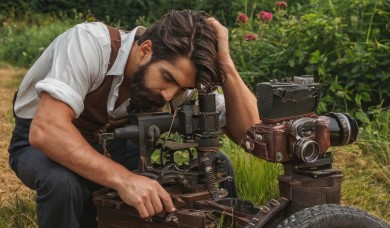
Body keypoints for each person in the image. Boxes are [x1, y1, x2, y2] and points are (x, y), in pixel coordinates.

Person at [8, 10, 259, 227]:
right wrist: (124, 180)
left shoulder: (178, 84)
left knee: (217, 164)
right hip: (38, 144)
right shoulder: (90, 43)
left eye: (182, 88)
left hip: (113, 147)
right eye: (168, 78)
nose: (169, 95)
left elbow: (253, 134)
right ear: (146, 49)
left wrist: (227, 67)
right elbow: (46, 130)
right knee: (63, 184)